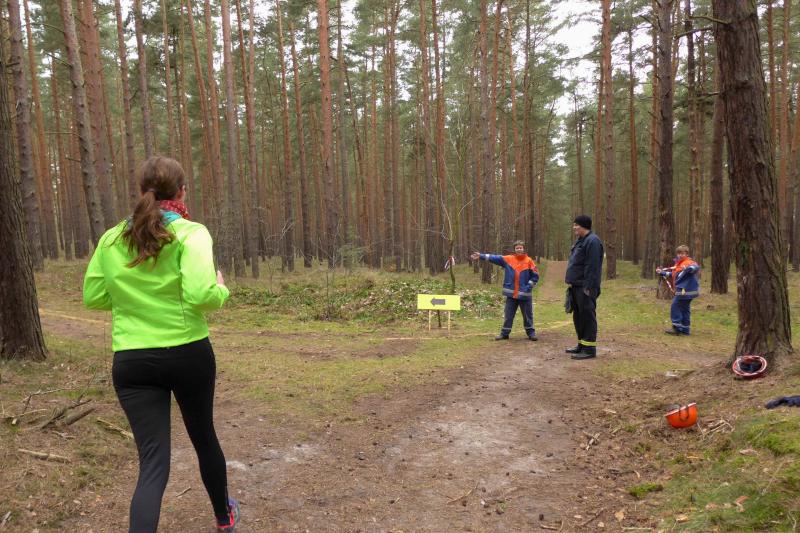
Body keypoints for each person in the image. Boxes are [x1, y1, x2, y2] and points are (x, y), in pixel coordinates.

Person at [83, 156, 239, 533]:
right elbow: (201, 295)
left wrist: (134, 301)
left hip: (132, 360)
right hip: (188, 353)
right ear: (182, 191)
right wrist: (221, 288)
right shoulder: (191, 233)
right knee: (204, 437)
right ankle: (224, 518)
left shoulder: (111, 238)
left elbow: (93, 296)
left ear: (140, 191)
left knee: (153, 463)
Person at [470, 240, 540, 341]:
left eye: (520, 248)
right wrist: (481, 256)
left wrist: (528, 287)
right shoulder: (508, 259)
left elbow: (535, 276)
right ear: (514, 249)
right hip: (511, 295)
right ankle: (504, 334)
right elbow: (495, 258)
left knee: (528, 315)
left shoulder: (529, 261)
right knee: (508, 315)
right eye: (517, 248)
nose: (519, 249)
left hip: (525, 295)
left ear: (523, 249)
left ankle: (531, 333)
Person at [564, 215, 604, 360]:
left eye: (576, 225)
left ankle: (589, 349)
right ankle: (582, 344)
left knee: (587, 317)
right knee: (579, 317)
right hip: (576, 286)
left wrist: (589, 287)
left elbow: (593, 266)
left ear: (584, 226)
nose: (574, 227)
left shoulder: (593, 241)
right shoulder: (581, 240)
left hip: (585, 287)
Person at [657, 245, 700, 335]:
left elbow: (695, 267)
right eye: (679, 253)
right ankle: (685, 329)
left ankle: (676, 328)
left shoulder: (689, 262)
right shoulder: (679, 264)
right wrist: (662, 272)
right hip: (688, 291)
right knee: (684, 308)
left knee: (675, 306)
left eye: (682, 253)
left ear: (687, 254)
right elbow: (673, 274)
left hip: (685, 290)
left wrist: (689, 269)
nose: (680, 255)